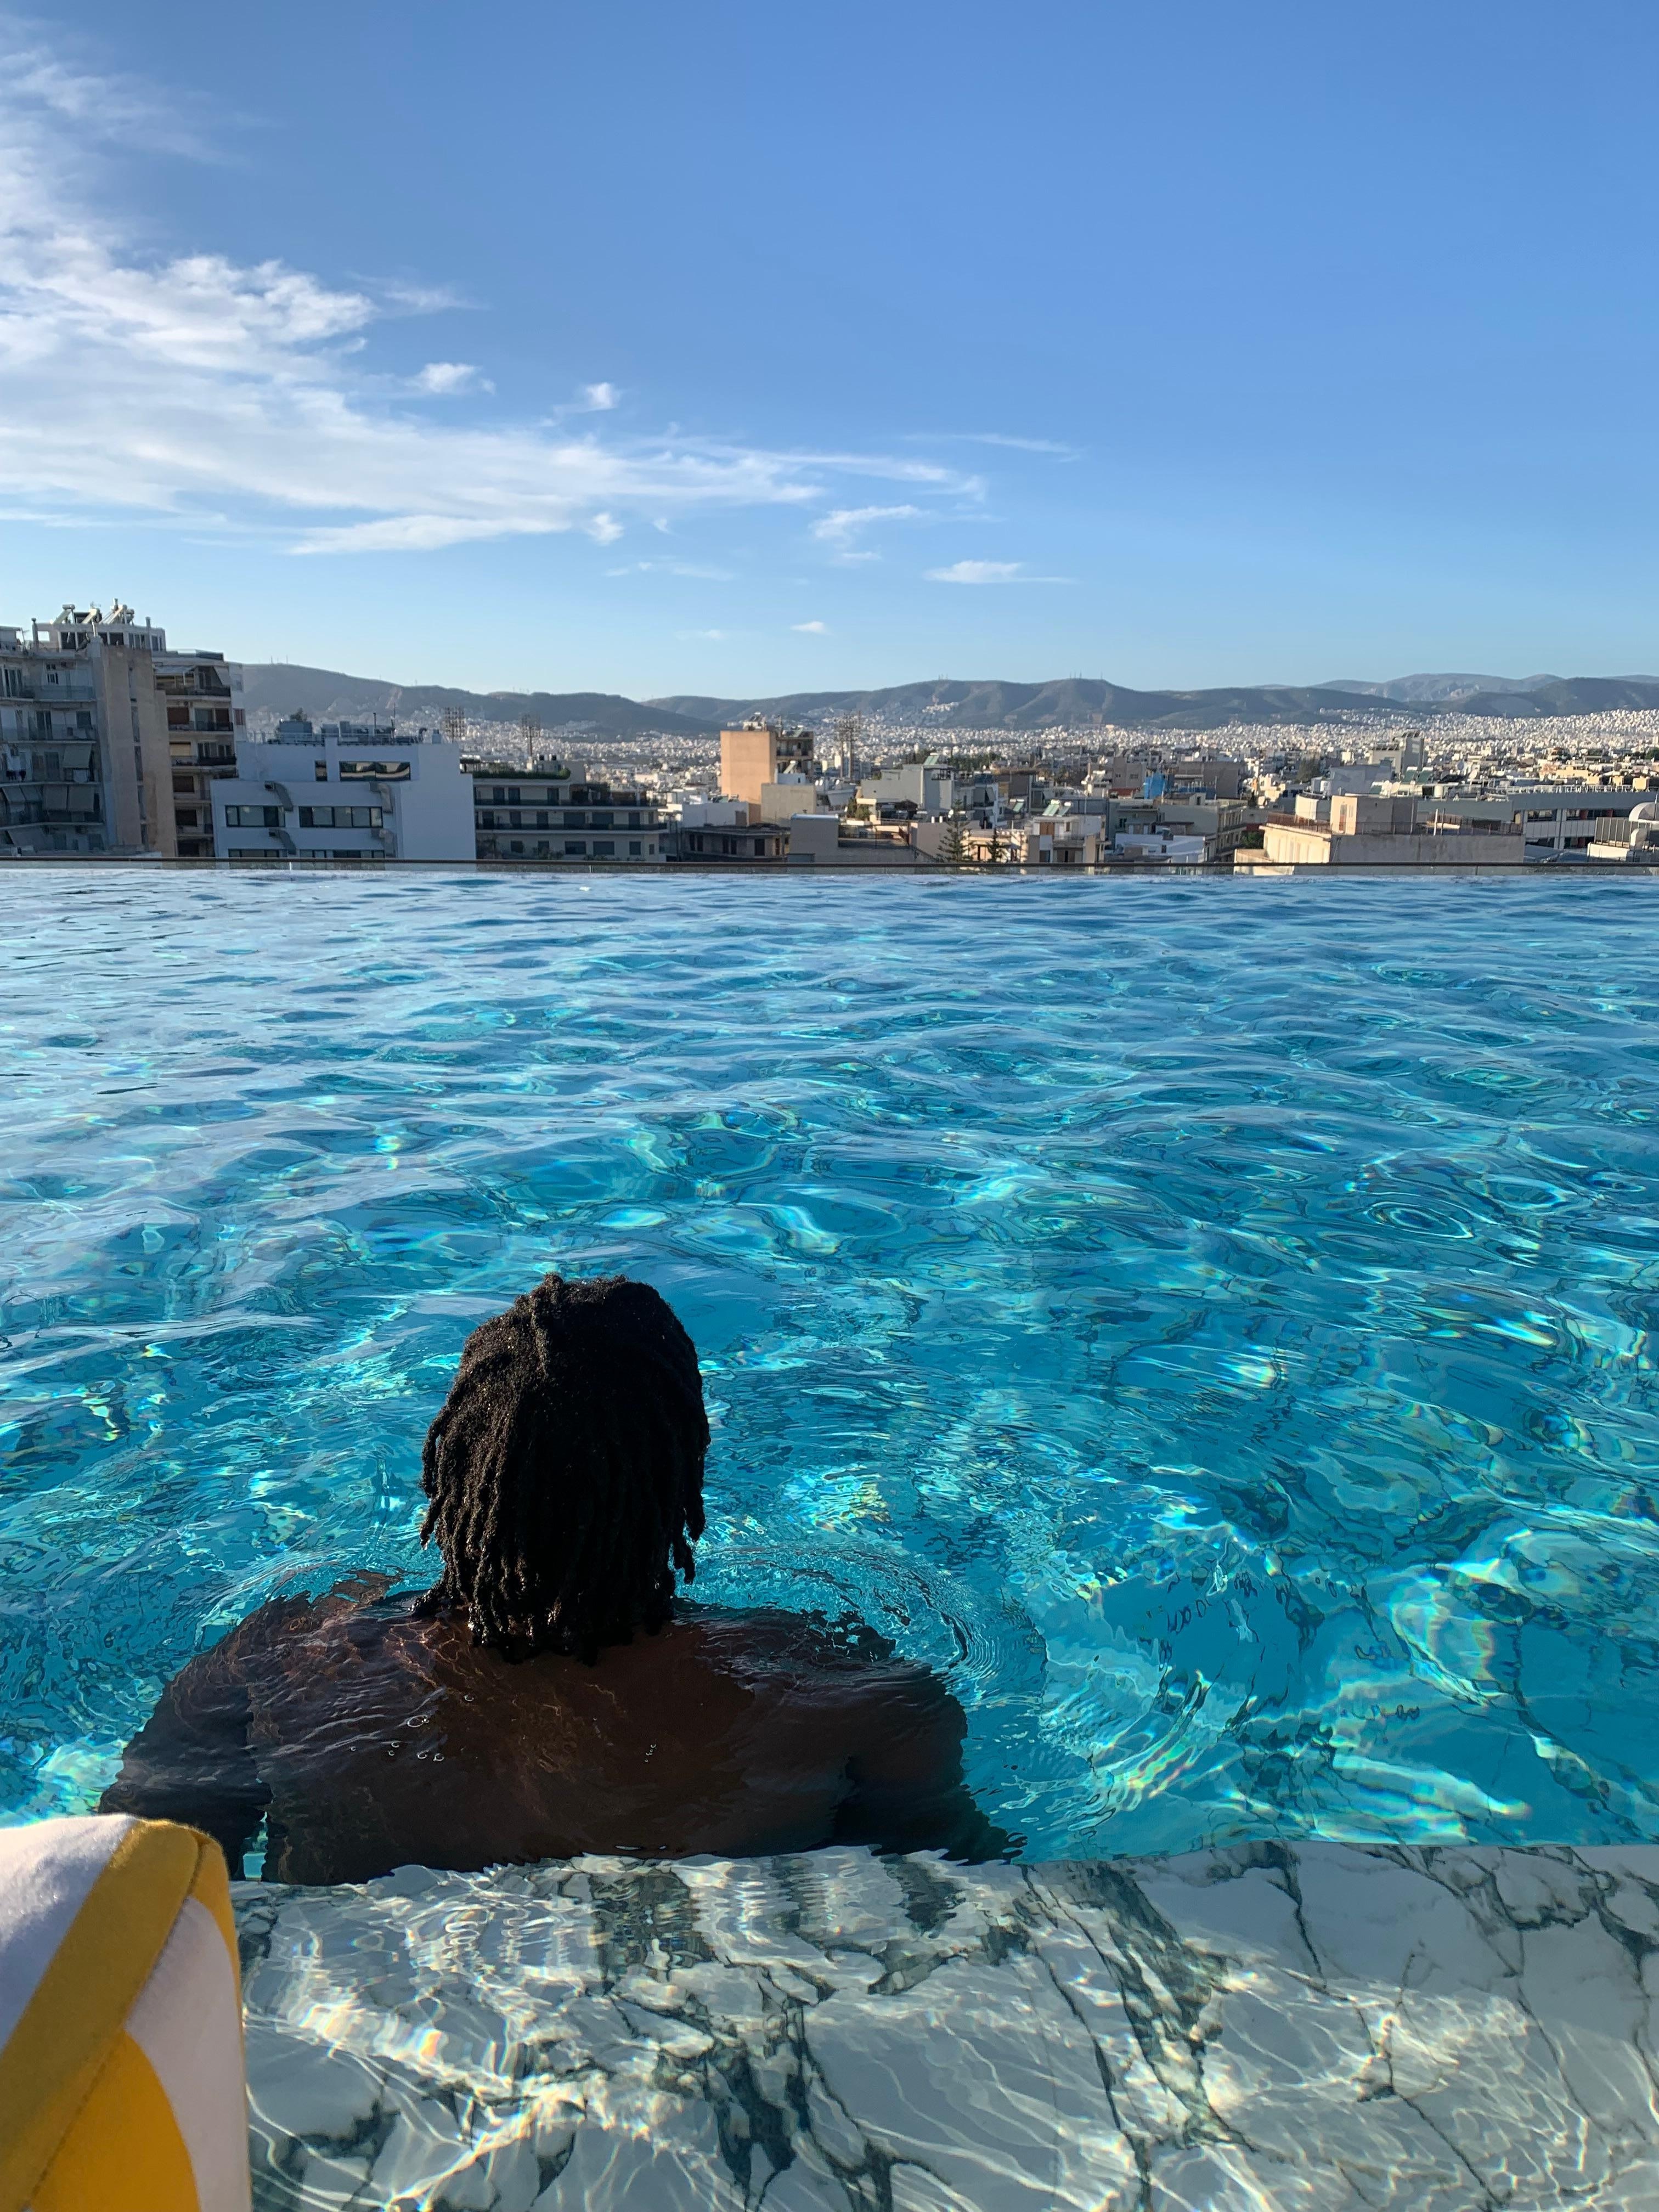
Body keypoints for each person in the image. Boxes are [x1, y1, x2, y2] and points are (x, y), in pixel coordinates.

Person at [100, 1273, 1006, 1882]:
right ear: (679, 1478)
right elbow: (957, 1906)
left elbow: (128, 1885)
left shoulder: (285, 1663)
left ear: (453, 1473)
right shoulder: (854, 1697)